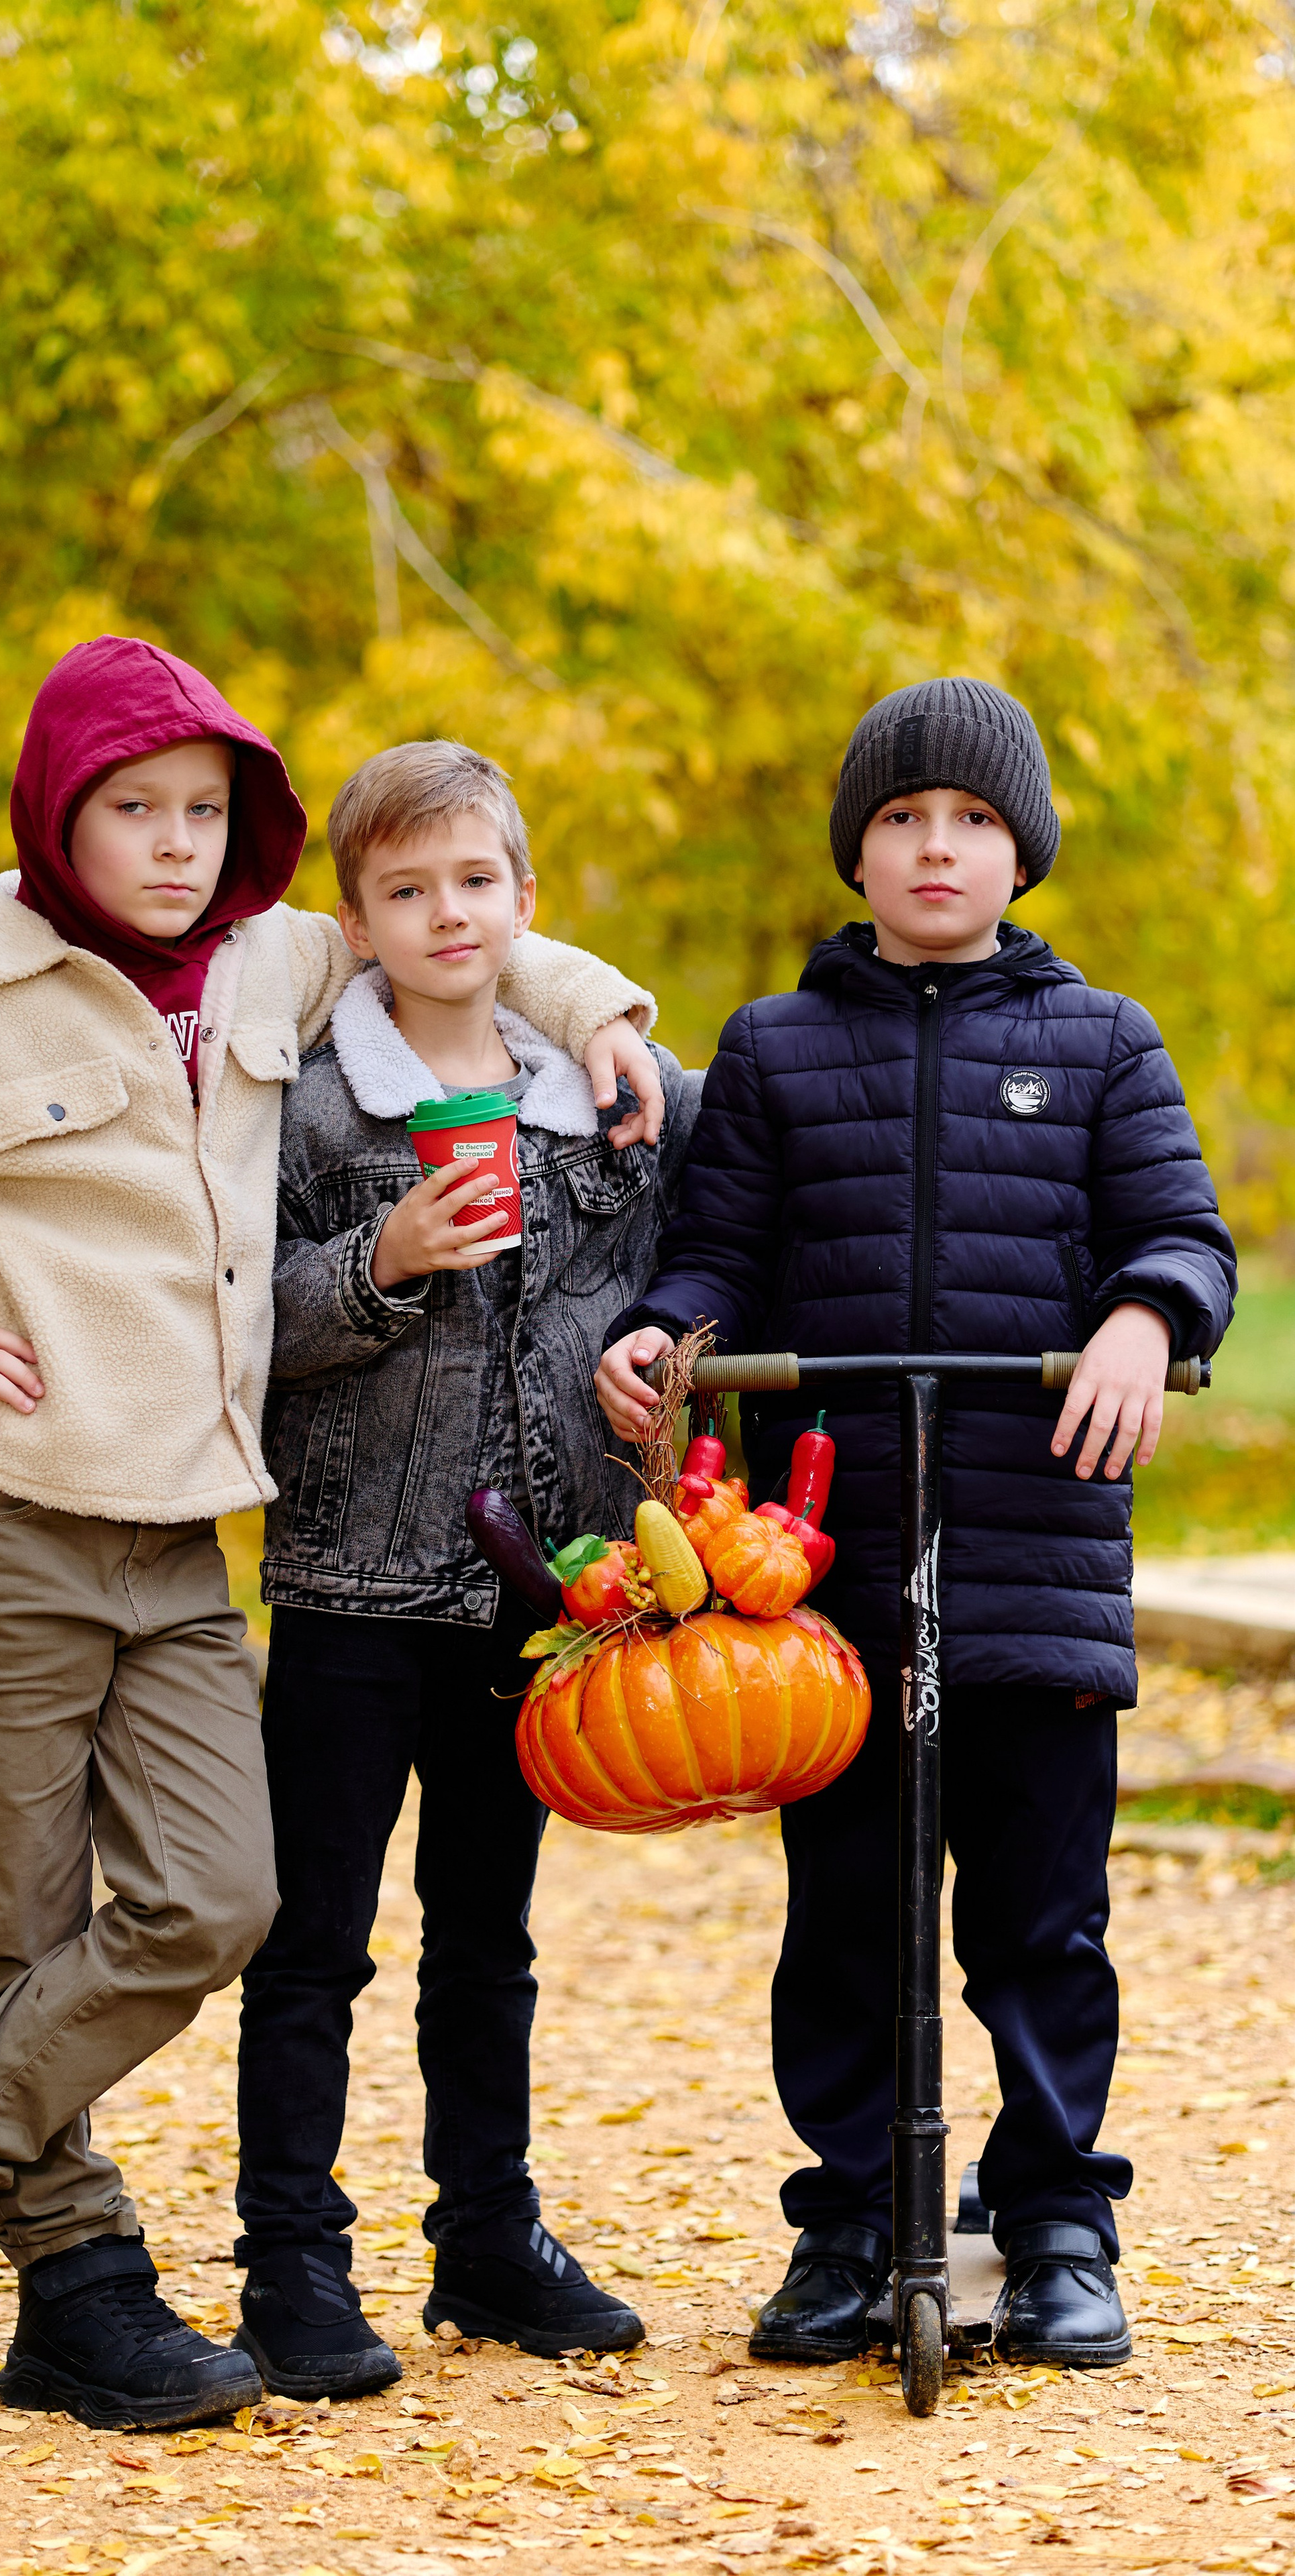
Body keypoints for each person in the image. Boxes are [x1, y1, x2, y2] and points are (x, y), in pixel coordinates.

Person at [0, 638, 665, 2449]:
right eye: (131, 812)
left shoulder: (271, 967)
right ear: (56, 822)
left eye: (203, 814)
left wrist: (601, 1007)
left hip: (179, 1539)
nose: (169, 846)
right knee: (19, 1919)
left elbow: (448, 923)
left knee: (223, 1901)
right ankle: (75, 2290)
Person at [596, 677, 1235, 2369]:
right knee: (847, 1909)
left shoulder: (1102, 1042)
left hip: (1033, 1544)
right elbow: (716, 1253)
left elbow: (1180, 1234)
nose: (932, 847)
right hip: (826, 1562)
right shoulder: (776, 1046)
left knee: (1040, 1915)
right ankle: (856, 2221)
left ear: (1017, 852)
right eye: (898, 821)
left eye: (966, 821)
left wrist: (1140, 1318)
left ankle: (1052, 2223)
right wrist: (665, 1335)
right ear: (854, 855)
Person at [229, 740, 703, 2400]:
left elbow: (712, 1255)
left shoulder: (611, 1096)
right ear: (355, 923)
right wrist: (380, 1259)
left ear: (524, 901)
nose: (445, 913)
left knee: (484, 1933)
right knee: (311, 1938)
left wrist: (663, 1344)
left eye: (474, 881)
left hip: (542, 1594)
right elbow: (237, 1316)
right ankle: (289, 2258)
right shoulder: (305, 1100)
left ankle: (486, 2237)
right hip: (351, 1579)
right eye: (406, 889)